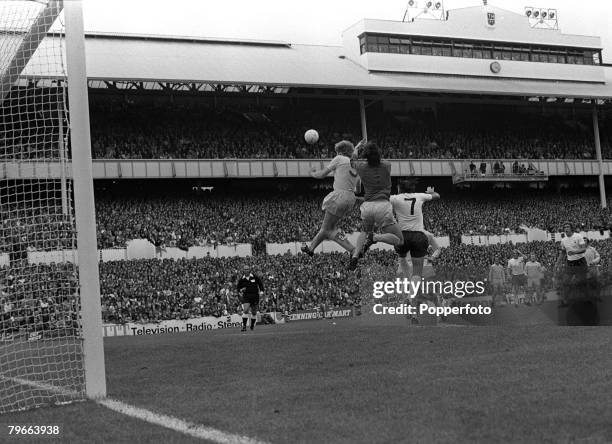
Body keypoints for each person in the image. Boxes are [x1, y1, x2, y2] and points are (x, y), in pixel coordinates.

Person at [349, 142, 403, 270]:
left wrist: (357, 148)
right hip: (383, 206)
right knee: (400, 240)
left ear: (366, 156)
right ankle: (375, 237)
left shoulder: (361, 167)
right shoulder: (386, 165)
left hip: (367, 206)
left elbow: (352, 160)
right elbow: (380, 160)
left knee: (364, 231)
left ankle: (355, 255)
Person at [302, 140, 359, 257]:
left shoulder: (339, 159)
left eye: (337, 152)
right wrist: (357, 146)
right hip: (350, 198)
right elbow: (358, 189)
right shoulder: (355, 165)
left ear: (340, 152)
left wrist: (312, 173)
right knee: (328, 228)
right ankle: (311, 248)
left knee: (328, 229)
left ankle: (353, 250)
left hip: (339, 196)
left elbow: (321, 175)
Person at [390, 178, 440, 282]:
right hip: (419, 242)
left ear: (399, 188)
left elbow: (377, 200)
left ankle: (409, 293)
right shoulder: (419, 196)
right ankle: (411, 296)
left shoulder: (395, 198)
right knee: (418, 278)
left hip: (402, 237)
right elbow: (437, 196)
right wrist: (431, 192)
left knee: (402, 258)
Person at [237, 265, 264, 332]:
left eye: (247, 269)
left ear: (249, 270)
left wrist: (261, 291)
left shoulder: (255, 277)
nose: (246, 270)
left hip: (255, 296)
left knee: (254, 312)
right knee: (245, 310)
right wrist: (241, 290)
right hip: (246, 296)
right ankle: (244, 327)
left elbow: (260, 284)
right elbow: (238, 288)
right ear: (243, 270)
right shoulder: (242, 279)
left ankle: (252, 325)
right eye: (245, 269)